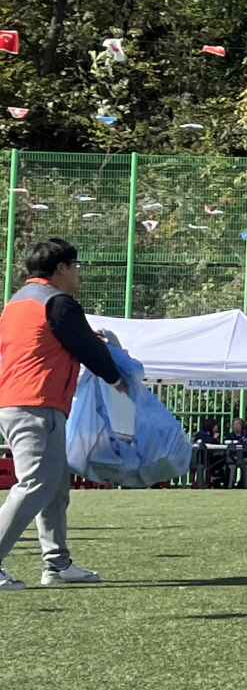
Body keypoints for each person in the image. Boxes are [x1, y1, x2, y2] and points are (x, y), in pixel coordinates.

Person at [0, 237, 123, 589]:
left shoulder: (16, 302)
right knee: (36, 484)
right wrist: (117, 379)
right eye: (76, 266)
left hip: (16, 401)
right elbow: (86, 348)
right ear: (62, 269)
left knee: (54, 487)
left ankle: (57, 565)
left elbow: (49, 341)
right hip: (38, 404)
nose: (79, 273)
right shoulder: (59, 303)